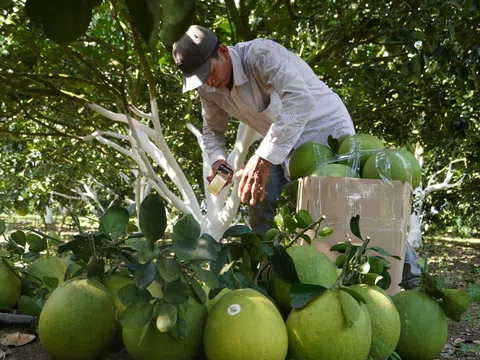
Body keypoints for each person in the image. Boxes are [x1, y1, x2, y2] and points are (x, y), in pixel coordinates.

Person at [172, 25, 420, 285]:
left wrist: (263, 158)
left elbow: (300, 100)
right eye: (201, 80)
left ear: (223, 52)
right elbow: (212, 131)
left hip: (324, 130)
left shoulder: (260, 55)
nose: (209, 82)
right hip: (281, 142)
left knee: (349, 206)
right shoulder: (208, 88)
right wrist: (218, 160)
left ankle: (411, 276)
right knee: (258, 202)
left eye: (210, 73)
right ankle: (267, 276)